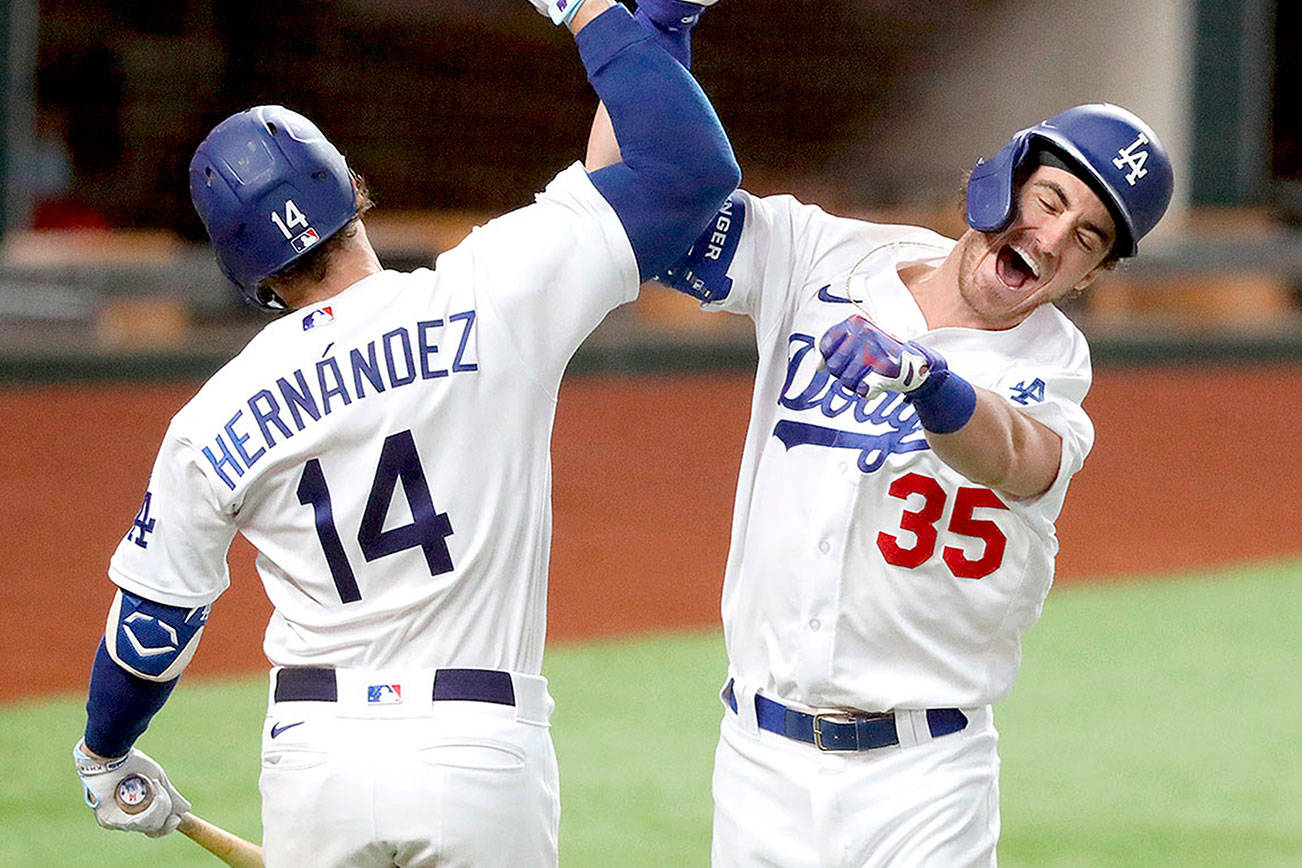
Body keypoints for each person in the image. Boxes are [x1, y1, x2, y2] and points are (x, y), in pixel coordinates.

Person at [71, 2, 736, 866]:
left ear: (247, 273)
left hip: (314, 763)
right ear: (350, 186)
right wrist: (609, 21)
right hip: (477, 748)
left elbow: (152, 628)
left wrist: (104, 752)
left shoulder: (211, 417)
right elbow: (676, 170)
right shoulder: (486, 294)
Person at [592, 5, 1173, 865]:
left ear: (1094, 273)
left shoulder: (1053, 368)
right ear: (1002, 179)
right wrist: (649, 52)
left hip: (924, 782)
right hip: (759, 762)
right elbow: (622, 210)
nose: (1049, 239)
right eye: (1049, 199)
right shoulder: (821, 255)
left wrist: (928, 382)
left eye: (1086, 237)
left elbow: (1020, 457)